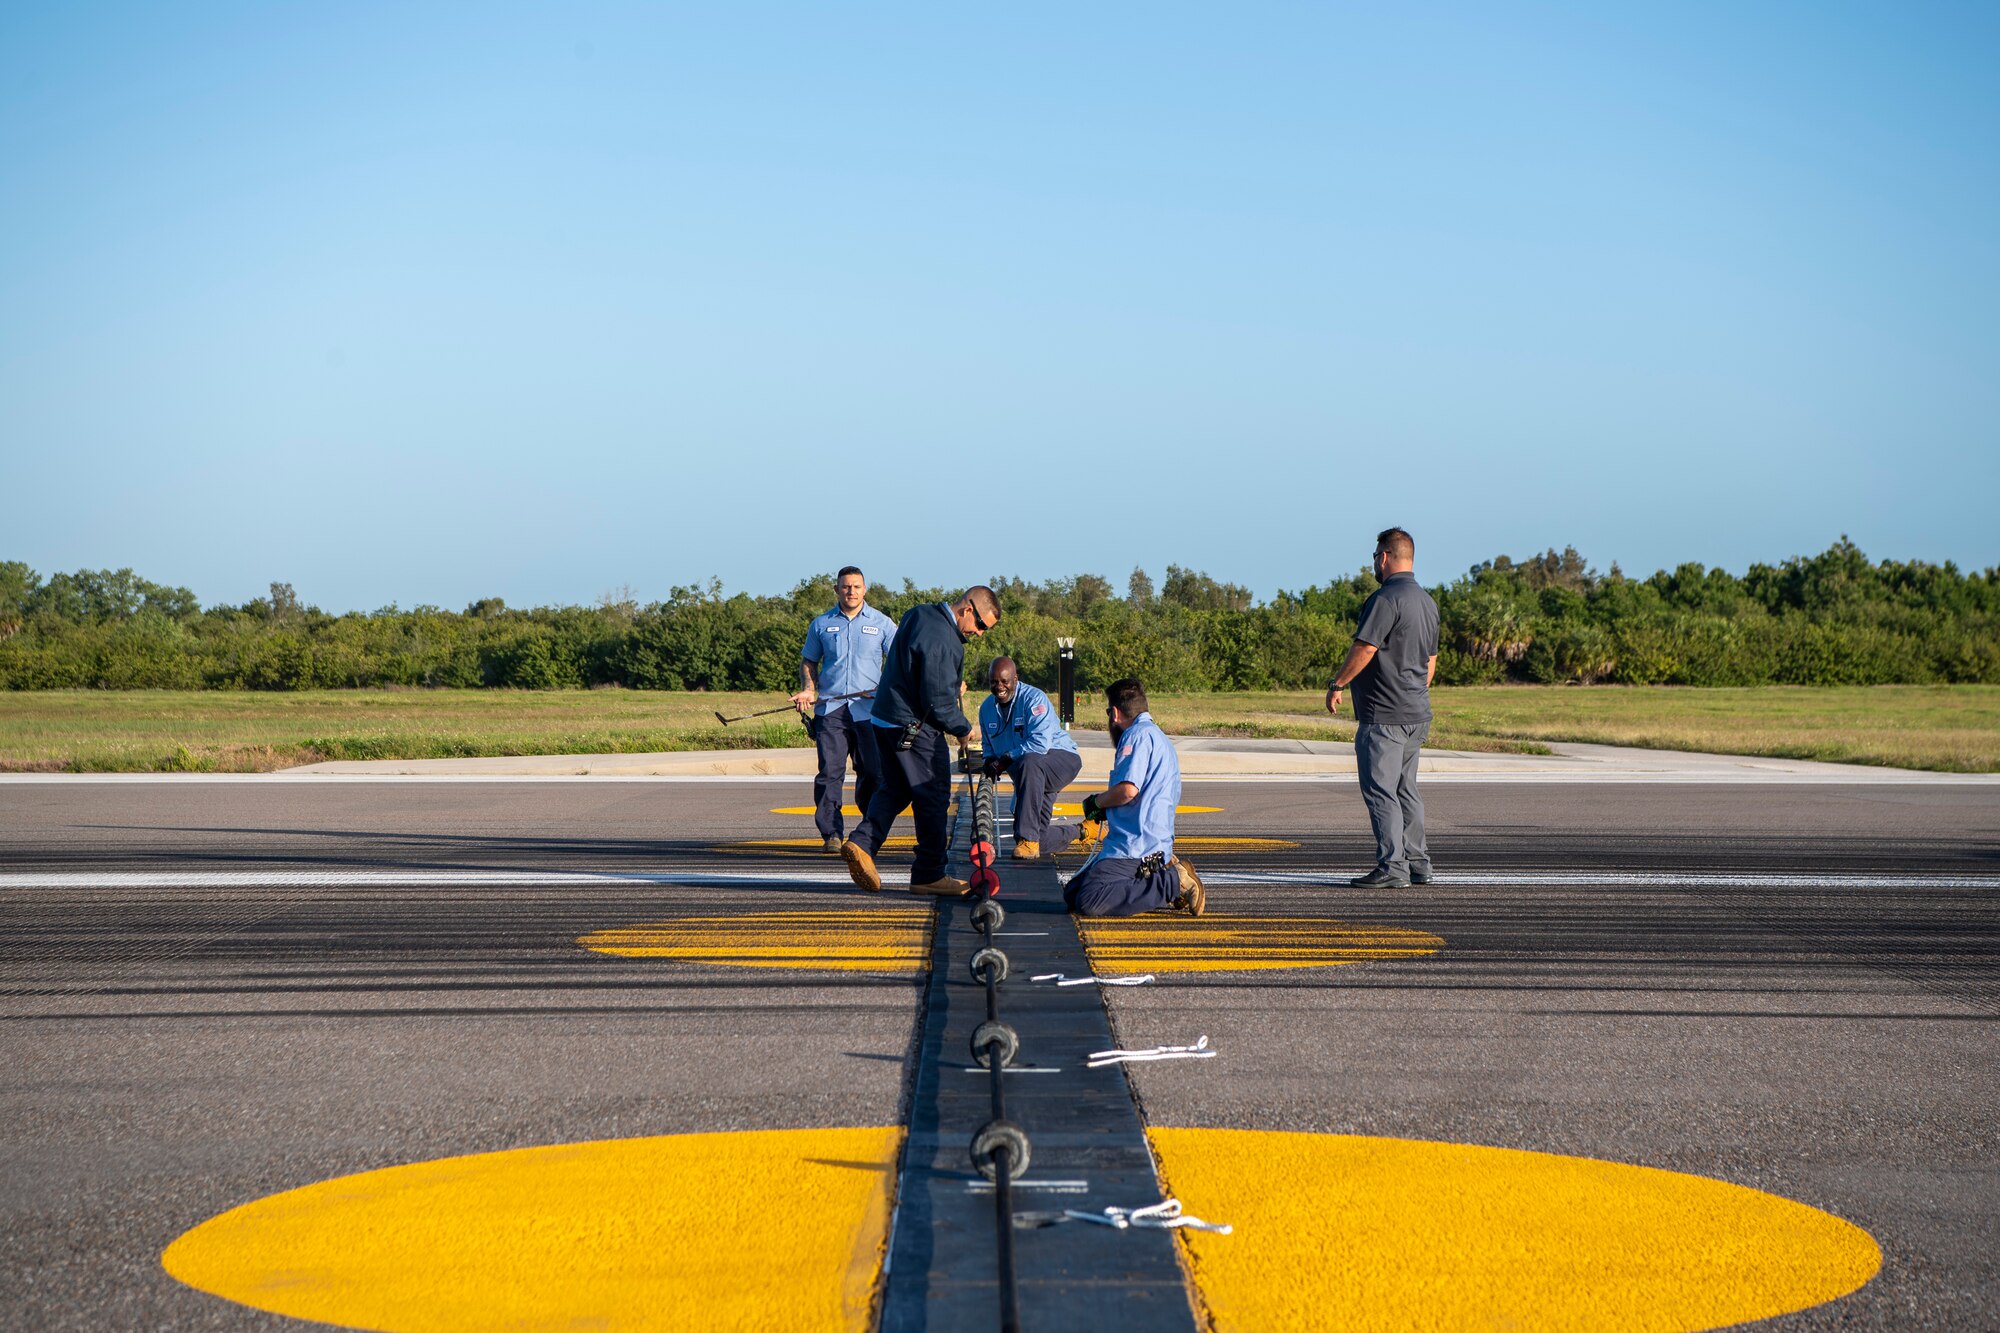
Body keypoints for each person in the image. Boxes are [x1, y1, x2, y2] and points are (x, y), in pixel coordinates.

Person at [841, 587, 1001, 896]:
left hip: (883, 721)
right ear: (968, 609)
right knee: (933, 795)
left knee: (896, 788)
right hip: (913, 727)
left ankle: (862, 843)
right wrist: (963, 728)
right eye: (980, 625)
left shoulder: (918, 613)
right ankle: (929, 873)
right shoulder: (945, 640)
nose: (980, 633)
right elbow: (937, 702)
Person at [1325, 526, 1441, 888]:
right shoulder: (1427, 601)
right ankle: (1418, 862)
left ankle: (1393, 867)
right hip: (1416, 713)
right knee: (1407, 790)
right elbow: (1430, 661)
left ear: (1385, 557)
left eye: (1376, 556)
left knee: (1381, 791)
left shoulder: (1385, 600)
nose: (1374, 562)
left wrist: (1338, 683)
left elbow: (1366, 648)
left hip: (1384, 716)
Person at [1063, 678, 1205, 918]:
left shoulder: (1135, 736)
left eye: (1109, 711)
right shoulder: (1157, 736)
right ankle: (1160, 870)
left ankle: (1173, 881)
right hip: (1145, 840)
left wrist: (1097, 803)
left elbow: (1128, 790)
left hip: (1136, 845)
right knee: (1073, 894)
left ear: (1115, 713)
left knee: (1090, 899)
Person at [791, 567, 897, 852]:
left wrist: (888, 688)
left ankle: (868, 829)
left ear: (865, 589)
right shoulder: (822, 624)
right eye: (846, 587)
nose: (851, 591)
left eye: (856, 586)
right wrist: (808, 689)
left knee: (874, 774)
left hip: (871, 712)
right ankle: (831, 835)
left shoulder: (883, 623)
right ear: (836, 590)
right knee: (830, 773)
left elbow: (900, 661)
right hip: (831, 710)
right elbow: (809, 662)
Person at [977, 657, 1095, 860]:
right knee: (1040, 837)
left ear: (1016, 678)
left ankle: (1028, 839)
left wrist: (1006, 758)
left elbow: (1040, 744)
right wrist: (989, 761)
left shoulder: (1033, 699)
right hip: (1030, 775)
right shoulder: (986, 709)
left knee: (1030, 761)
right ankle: (1083, 831)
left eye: (1005, 681)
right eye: (994, 682)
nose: (999, 687)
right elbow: (989, 746)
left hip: (1059, 760)